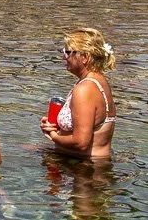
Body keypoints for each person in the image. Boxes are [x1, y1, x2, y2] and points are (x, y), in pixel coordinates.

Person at [42, 28, 117, 160]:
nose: (64, 57)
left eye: (68, 52)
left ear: (85, 57)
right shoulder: (98, 80)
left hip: (84, 168)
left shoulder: (85, 89)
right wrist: (55, 127)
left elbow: (80, 142)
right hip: (86, 163)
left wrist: (53, 135)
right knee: (27, 148)